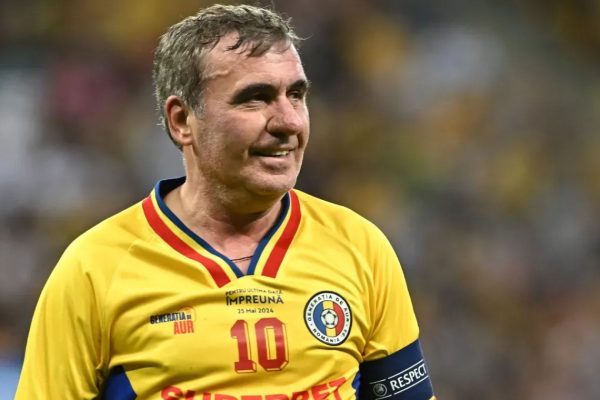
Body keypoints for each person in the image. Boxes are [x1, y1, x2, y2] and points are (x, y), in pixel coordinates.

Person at [16, 4, 436, 400]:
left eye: (296, 95)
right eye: (255, 98)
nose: (289, 121)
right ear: (182, 120)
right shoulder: (94, 269)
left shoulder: (360, 247)